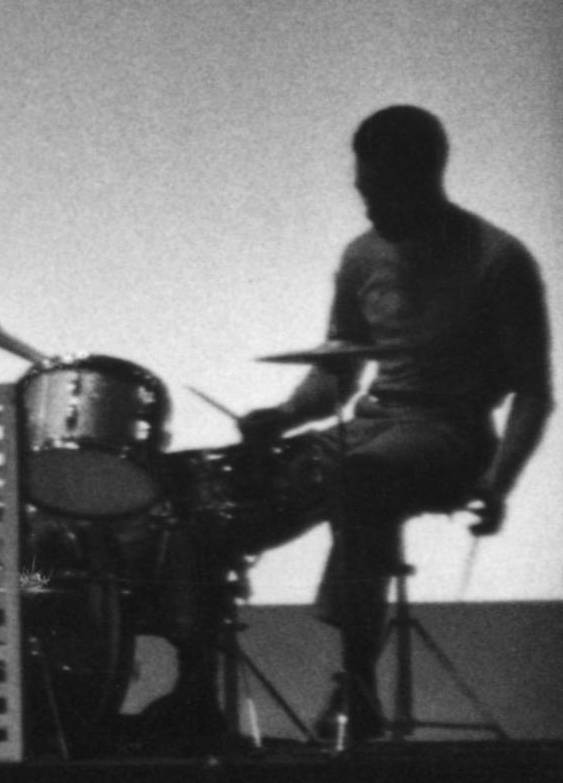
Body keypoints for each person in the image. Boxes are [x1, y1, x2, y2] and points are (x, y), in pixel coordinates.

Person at [229, 105, 549, 742]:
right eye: (361, 190)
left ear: (422, 178)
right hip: (373, 426)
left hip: (452, 436)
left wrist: (499, 484)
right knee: (237, 489)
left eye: (377, 192)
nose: (366, 206)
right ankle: (197, 691)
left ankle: (357, 688)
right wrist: (286, 415)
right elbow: (338, 372)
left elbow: (535, 394)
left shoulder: (499, 260)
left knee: (362, 477)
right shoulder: (361, 256)